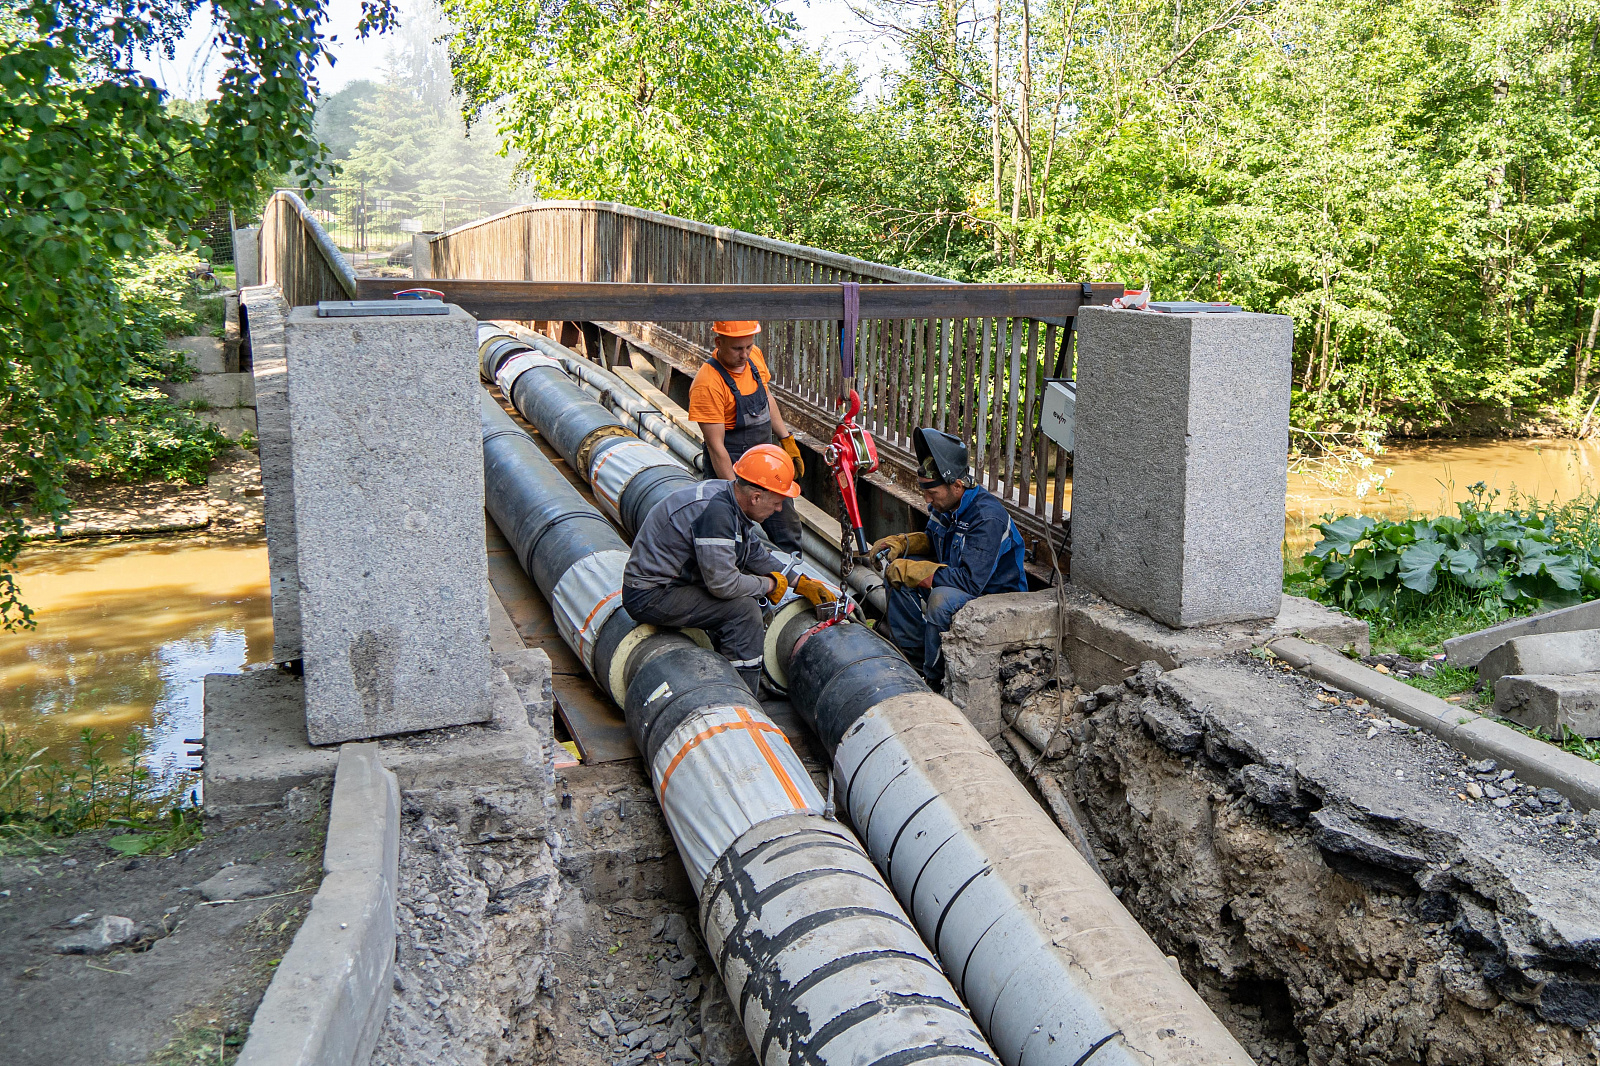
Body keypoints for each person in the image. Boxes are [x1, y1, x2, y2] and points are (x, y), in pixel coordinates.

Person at [622, 443, 833, 696]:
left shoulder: (730, 497)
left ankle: (729, 668)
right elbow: (723, 584)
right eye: (777, 502)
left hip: (676, 584)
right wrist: (769, 585)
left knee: (742, 596)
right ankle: (739, 694)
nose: (779, 509)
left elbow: (754, 553)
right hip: (651, 595)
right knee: (742, 611)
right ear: (756, 497)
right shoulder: (717, 514)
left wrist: (800, 583)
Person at [873, 427, 1028, 688]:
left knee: (940, 600)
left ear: (957, 486)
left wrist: (918, 572)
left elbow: (970, 581)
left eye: (932, 494)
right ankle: (916, 661)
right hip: (963, 580)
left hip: (995, 597)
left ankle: (936, 679)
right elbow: (936, 542)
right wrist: (904, 543)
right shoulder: (945, 505)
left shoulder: (987, 518)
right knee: (897, 579)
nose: (927, 500)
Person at [687, 320, 806, 554]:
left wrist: (786, 440)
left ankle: (795, 581)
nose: (744, 355)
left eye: (748, 347)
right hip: (731, 468)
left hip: (766, 466)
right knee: (732, 535)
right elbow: (716, 448)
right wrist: (736, 496)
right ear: (719, 342)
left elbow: (767, 399)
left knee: (787, 528)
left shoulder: (754, 358)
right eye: (737, 349)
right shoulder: (708, 384)